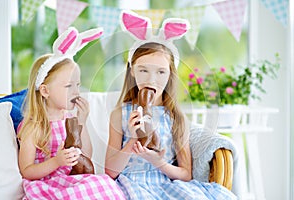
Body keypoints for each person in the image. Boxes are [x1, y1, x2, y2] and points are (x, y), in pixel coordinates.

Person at [105, 10, 237, 200]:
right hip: (130, 186)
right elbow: (110, 172)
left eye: (160, 72)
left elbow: (186, 174)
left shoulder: (175, 117)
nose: (151, 79)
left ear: (169, 76)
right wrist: (133, 140)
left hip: (166, 185)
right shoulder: (120, 115)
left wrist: (158, 162)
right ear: (132, 71)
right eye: (143, 70)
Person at [17, 27, 125, 200]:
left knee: (104, 183)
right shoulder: (34, 126)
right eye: (69, 86)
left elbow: (86, 155)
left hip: (71, 179)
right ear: (45, 91)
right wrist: (56, 162)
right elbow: (27, 171)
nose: (76, 91)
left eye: (77, 85)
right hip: (48, 184)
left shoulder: (69, 119)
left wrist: (82, 122)